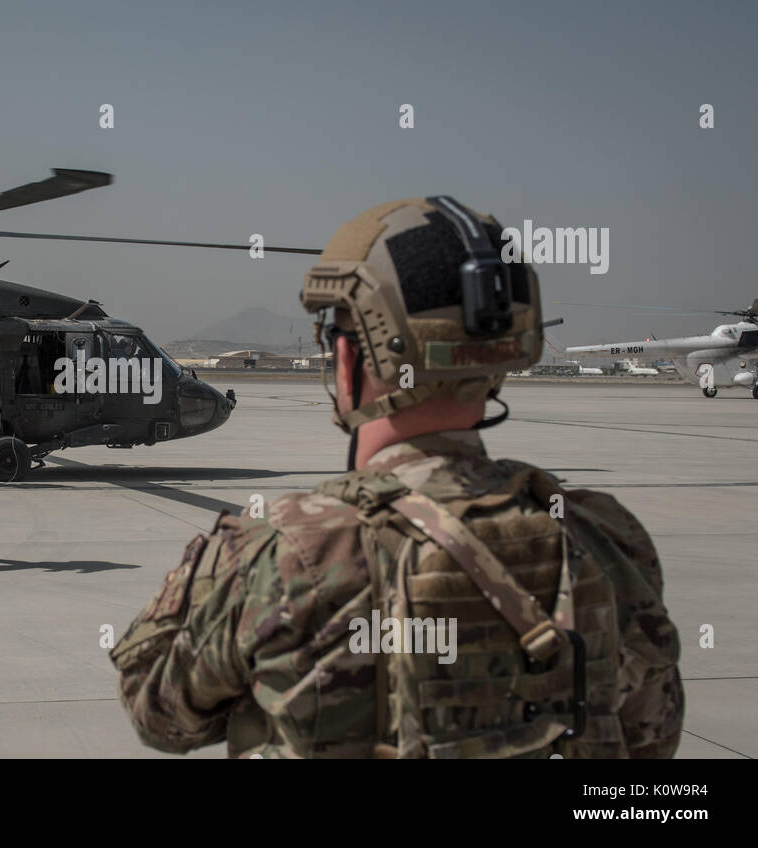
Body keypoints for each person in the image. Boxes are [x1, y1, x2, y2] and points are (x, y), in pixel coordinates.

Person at [110, 197, 684, 758]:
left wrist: (206, 577)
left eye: (334, 334)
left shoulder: (280, 556)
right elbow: (651, 739)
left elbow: (157, 715)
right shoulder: (606, 540)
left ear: (356, 357)